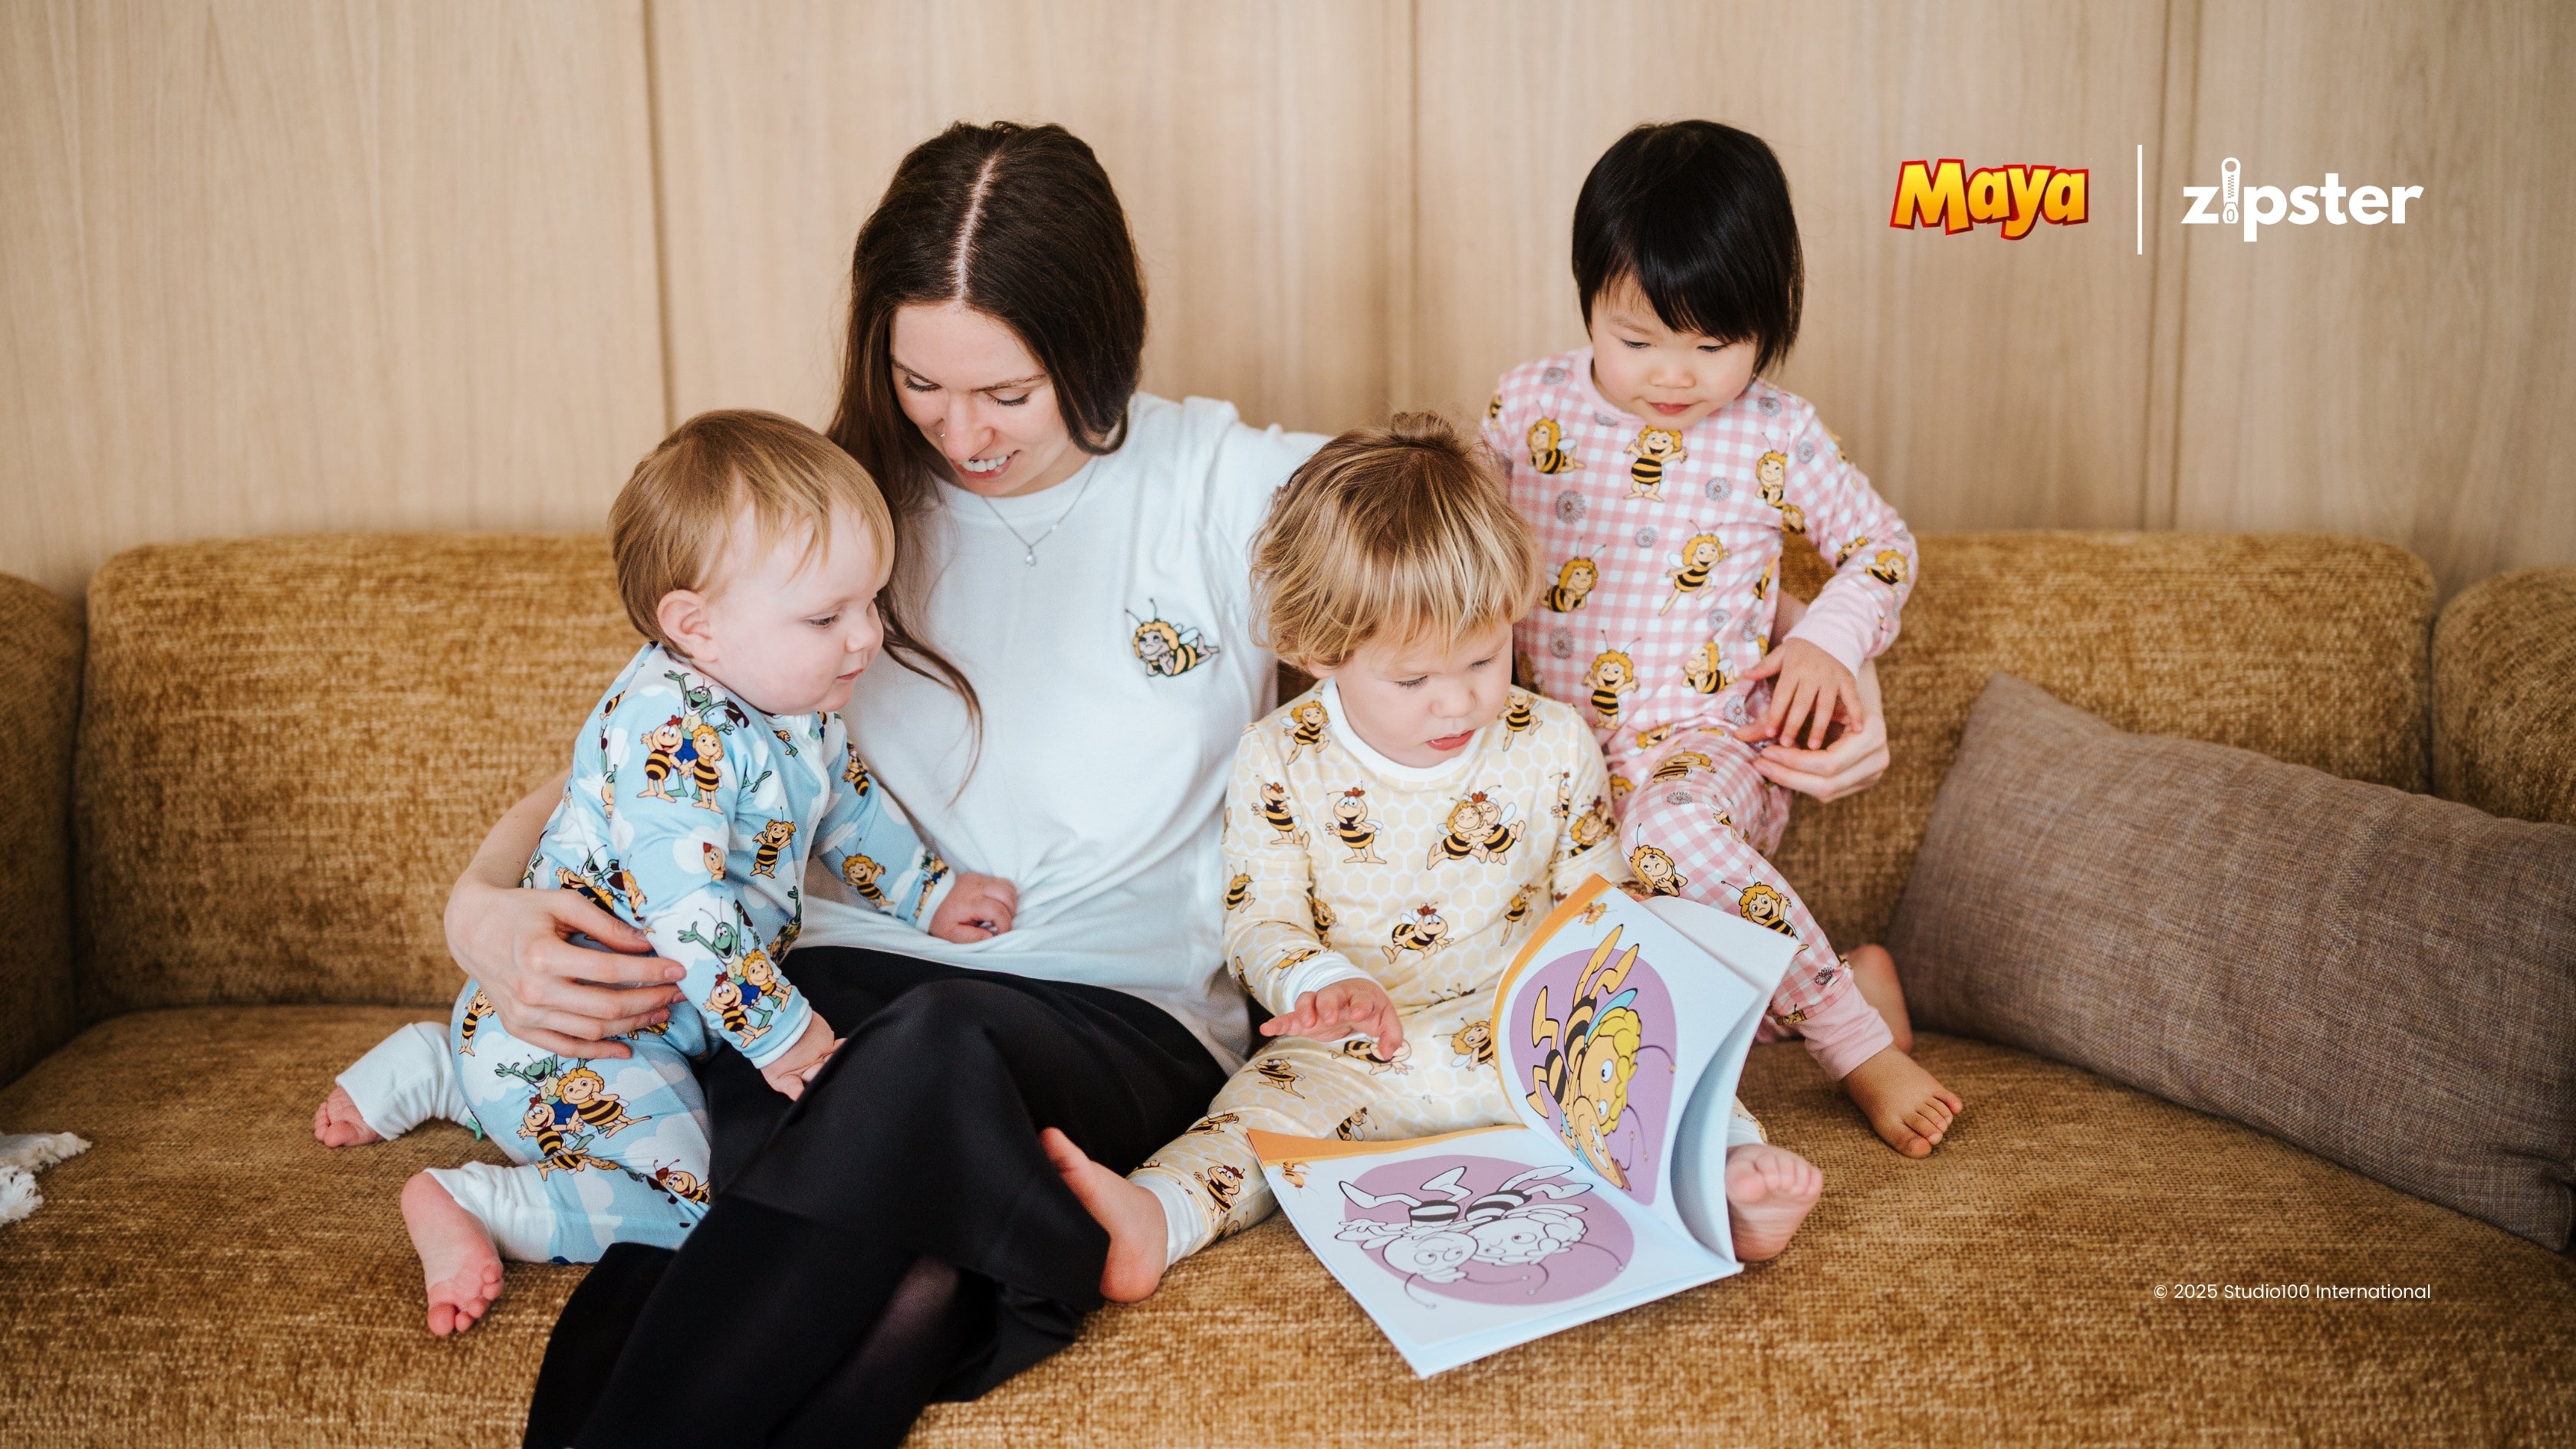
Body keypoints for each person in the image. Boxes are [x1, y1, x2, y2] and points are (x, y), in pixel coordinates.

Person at [441, 123, 1894, 1448]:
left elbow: (1524, 543)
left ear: (1096, 343)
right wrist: (482, 907)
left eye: (1007, 390)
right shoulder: (824, 520)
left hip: (1111, 1019)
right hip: (835, 999)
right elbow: (644, 754)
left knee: (924, 1060)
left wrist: (1825, 647)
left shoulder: (1227, 483)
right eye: (919, 383)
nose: (962, 433)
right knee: (910, 1264)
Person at [1043, 414, 1823, 1302]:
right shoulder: (1279, 758)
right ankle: (1158, 1217)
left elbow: (1599, 901)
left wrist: (1625, 964)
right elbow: (1259, 921)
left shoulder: (1552, 741)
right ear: (1321, 652)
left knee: (1653, 1064)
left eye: (1485, 658)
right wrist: (1323, 984)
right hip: (1357, 1055)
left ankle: (1728, 1175)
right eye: (1413, 679)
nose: (1457, 702)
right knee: (1255, 1117)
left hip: (1532, 1045)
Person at [311, 410, 1015, 1337]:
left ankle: (442, 1063)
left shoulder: (791, 702)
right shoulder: (673, 736)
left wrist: (930, 891)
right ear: (697, 626)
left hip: (630, 1025)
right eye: (826, 617)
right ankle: (478, 1200)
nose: (866, 639)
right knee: (701, 1205)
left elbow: (847, 804)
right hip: (584, 1046)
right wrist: (789, 1040)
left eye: (871, 603)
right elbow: (691, 920)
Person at [1486, 120, 1963, 1157]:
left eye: (1714, 347)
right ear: (1588, 301)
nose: (1674, 376)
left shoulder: (1776, 433)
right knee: (1572, 982)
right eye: (1637, 340)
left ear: (1771, 318)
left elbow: (1881, 547)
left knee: (1663, 833)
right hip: (1553, 764)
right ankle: (1848, 981)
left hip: (1706, 750)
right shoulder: (1527, 410)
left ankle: (1853, 1040)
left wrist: (1830, 640)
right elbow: (1451, 546)